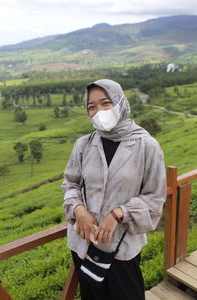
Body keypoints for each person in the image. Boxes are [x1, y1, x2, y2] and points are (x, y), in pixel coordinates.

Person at [62, 79, 166, 300]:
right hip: (84, 244)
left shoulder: (147, 146)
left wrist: (119, 214)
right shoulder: (84, 144)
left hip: (122, 248)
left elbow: (155, 199)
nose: (99, 111)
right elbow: (70, 184)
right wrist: (78, 211)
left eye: (105, 103)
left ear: (120, 102)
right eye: (92, 106)